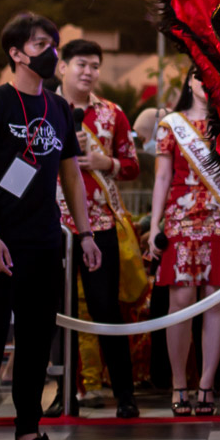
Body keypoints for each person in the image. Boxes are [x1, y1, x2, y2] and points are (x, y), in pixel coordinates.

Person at [0, 12, 102, 440]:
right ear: (16, 53)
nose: (50, 53)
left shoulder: (59, 108)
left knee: (36, 343)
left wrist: (85, 233)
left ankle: (28, 430)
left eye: (52, 44)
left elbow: (71, 176)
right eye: (40, 45)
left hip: (44, 242)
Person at [54, 39, 141, 418]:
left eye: (94, 65)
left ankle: (124, 394)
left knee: (107, 309)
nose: (88, 72)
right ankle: (64, 394)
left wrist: (106, 163)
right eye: (81, 64)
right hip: (54, 226)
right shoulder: (43, 109)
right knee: (59, 312)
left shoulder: (111, 113)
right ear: (62, 67)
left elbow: (133, 166)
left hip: (100, 225)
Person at [145, 73, 220, 417]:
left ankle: (207, 384)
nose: (204, 81)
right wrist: (154, 225)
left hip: (219, 220)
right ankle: (179, 383)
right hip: (180, 221)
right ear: (189, 82)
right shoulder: (171, 124)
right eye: (198, 75)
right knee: (180, 304)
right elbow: (162, 177)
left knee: (214, 303)